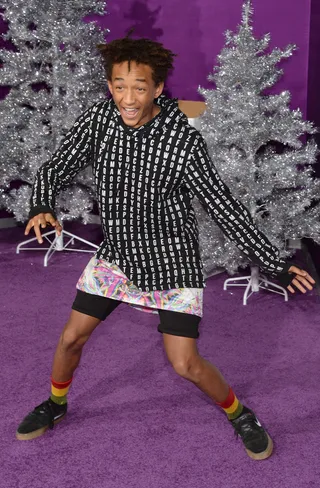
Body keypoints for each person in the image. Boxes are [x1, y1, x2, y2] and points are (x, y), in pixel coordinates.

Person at [16, 37, 315, 461]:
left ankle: (241, 414)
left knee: (185, 364)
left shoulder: (182, 142)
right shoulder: (100, 118)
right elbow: (57, 164)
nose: (127, 97)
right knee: (70, 339)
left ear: (157, 89)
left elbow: (222, 205)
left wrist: (273, 262)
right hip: (117, 256)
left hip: (170, 261)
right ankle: (56, 404)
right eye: (118, 85)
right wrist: (42, 202)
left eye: (139, 86)